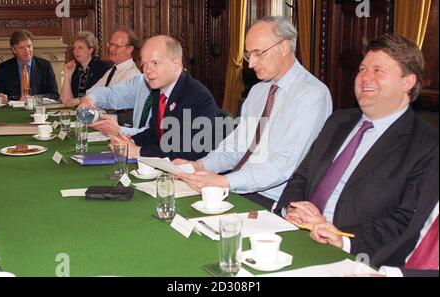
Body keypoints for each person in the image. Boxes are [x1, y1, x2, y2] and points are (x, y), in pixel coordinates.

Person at [275, 34, 439, 267]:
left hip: (350, 254)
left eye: (377, 70)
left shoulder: (427, 145)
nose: (364, 77)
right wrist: (292, 208)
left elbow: (406, 222)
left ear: (407, 82)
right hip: (295, 233)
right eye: (362, 69)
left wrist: (342, 237)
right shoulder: (338, 121)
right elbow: (302, 175)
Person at [175, 16, 332, 210]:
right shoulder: (258, 91)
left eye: (259, 53)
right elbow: (235, 148)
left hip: (274, 201)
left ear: (284, 47)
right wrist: (200, 167)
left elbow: (281, 167)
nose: (251, 64)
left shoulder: (311, 95)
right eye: (249, 55)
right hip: (239, 187)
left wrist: (224, 182)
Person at [310, 149, 439, 277]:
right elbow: (400, 225)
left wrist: (393, 275)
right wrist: (344, 240)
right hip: (381, 265)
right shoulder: (434, 163)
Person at [109, 35, 219, 160]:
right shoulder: (158, 91)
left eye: (155, 63)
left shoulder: (197, 97)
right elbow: (156, 134)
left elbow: (187, 150)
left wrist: (138, 151)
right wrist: (129, 141)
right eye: (144, 63)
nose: (147, 70)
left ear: (176, 64)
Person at [76, 28, 144, 135]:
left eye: (116, 46)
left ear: (129, 49)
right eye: (110, 45)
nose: (111, 49)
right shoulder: (112, 70)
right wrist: (90, 99)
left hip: (119, 129)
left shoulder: (133, 75)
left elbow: (116, 105)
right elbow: (97, 91)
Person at [0, 30, 59, 102]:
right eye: (21, 48)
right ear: (13, 50)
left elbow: (54, 94)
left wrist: (34, 98)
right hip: (13, 109)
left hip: (37, 108)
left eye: (29, 46)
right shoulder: (4, 68)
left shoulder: (45, 66)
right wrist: (0, 97)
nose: (27, 51)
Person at [60, 31, 113, 107]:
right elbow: (65, 101)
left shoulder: (103, 67)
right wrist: (67, 74)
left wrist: (80, 100)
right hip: (78, 112)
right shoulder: (75, 69)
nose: (76, 51)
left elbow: (102, 96)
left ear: (91, 50)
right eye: (74, 48)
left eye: (80, 48)